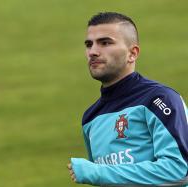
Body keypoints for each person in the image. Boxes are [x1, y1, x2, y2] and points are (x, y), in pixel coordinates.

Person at [67, 12, 188, 186]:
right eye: (89, 44)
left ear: (133, 53)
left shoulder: (158, 100)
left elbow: (179, 170)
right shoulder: (91, 118)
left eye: (105, 43)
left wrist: (97, 172)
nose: (93, 52)